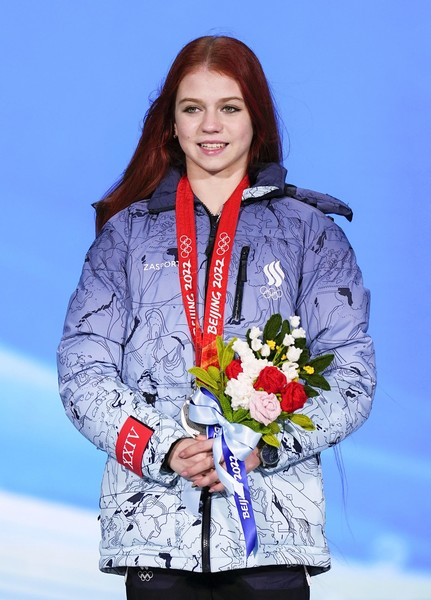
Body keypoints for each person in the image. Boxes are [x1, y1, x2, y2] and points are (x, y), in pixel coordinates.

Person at [57, 35, 376, 600]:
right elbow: (83, 373)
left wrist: (264, 447)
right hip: (154, 534)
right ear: (171, 124)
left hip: (271, 536)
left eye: (229, 107)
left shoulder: (311, 234)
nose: (210, 125)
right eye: (192, 108)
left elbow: (351, 375)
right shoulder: (125, 236)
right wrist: (164, 449)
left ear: (256, 119)